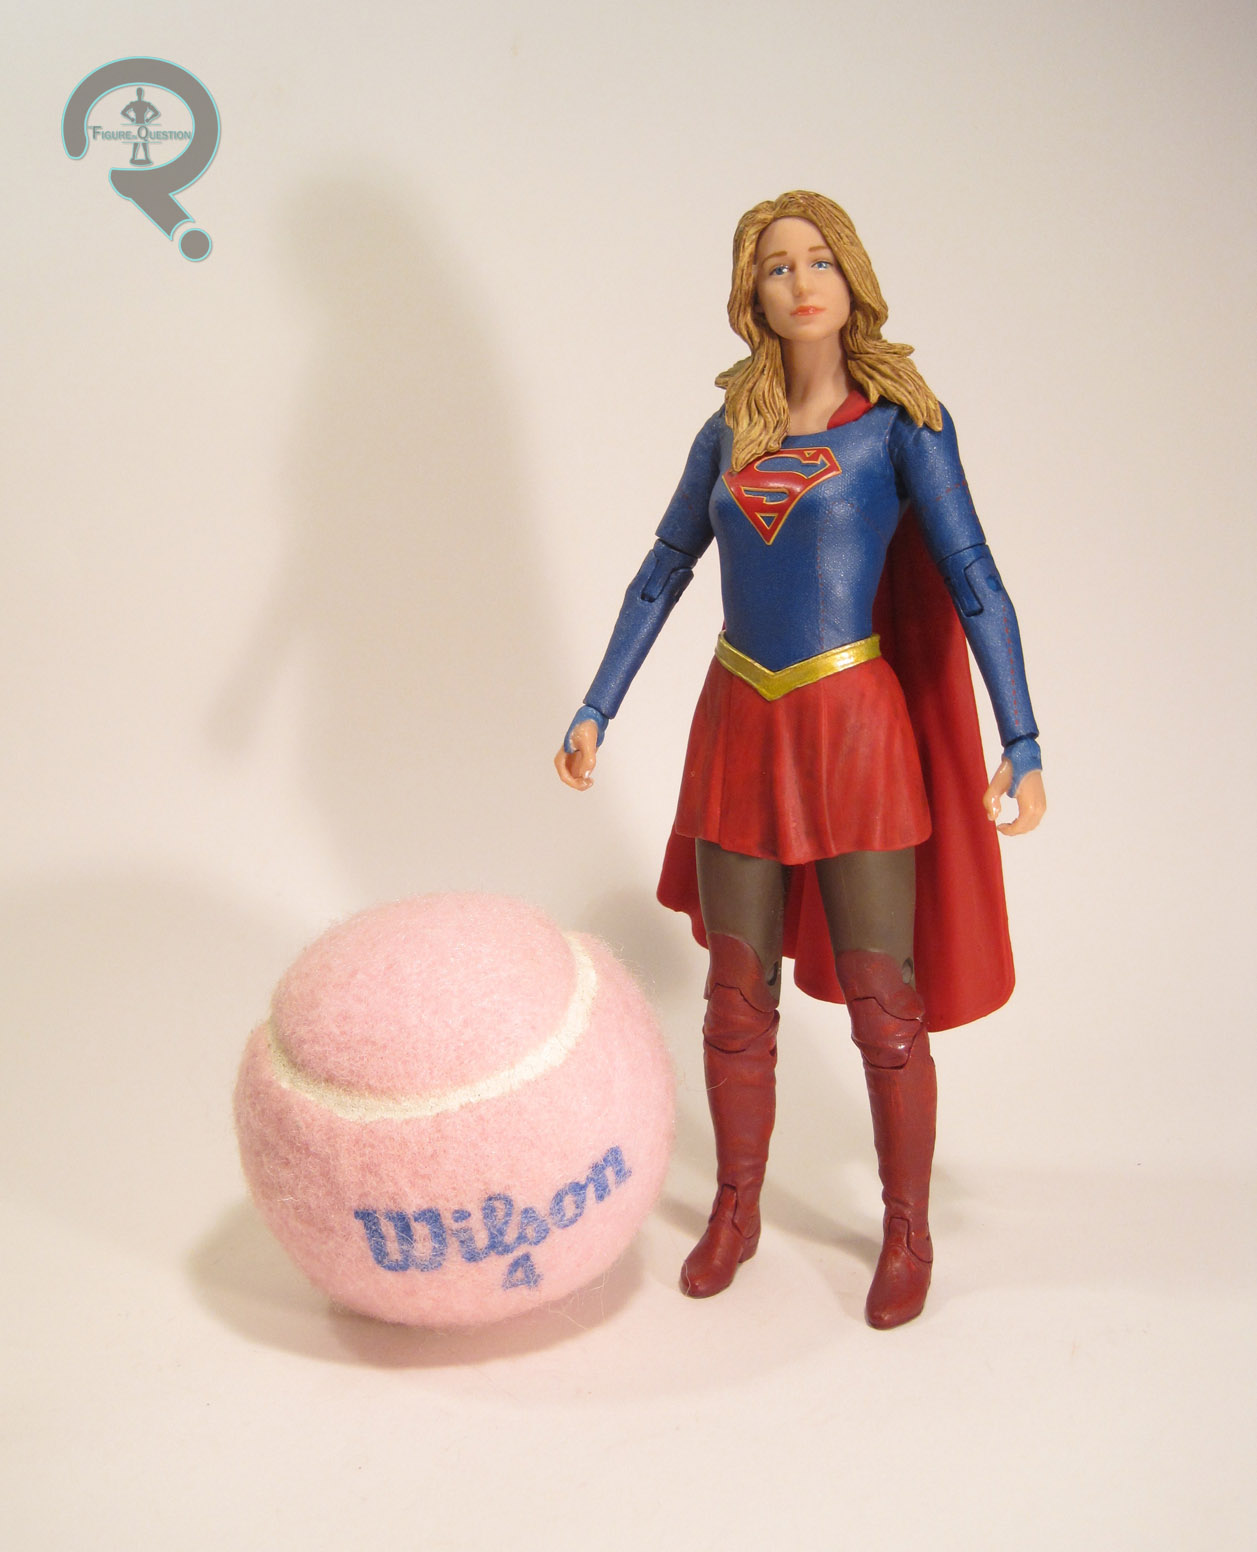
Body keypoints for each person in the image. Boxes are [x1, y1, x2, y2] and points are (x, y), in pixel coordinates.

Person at [555, 191, 1045, 1328]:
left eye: (819, 259)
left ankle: (907, 1228)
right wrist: (596, 705)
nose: (800, 280)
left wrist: (1021, 738)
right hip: (738, 721)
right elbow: (664, 566)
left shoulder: (903, 425)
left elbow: (973, 576)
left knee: (884, 1003)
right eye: (776, 265)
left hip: (854, 722)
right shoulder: (728, 429)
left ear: (851, 275)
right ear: (752, 295)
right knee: (735, 998)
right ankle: (736, 1208)